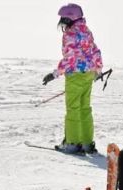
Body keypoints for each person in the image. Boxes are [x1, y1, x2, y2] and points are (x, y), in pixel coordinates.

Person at [42, 3, 102, 154]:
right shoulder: (86, 31)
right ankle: (87, 143)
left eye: (64, 19)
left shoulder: (70, 34)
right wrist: (98, 70)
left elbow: (70, 58)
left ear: (70, 18)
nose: (62, 23)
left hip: (75, 75)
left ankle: (73, 143)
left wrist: (55, 74)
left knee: (73, 109)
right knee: (85, 108)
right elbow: (95, 51)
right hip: (88, 74)